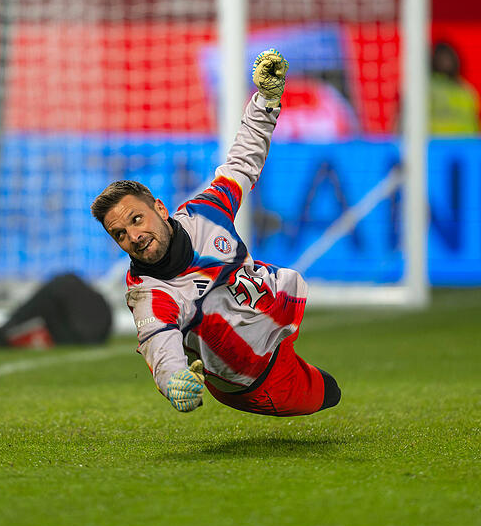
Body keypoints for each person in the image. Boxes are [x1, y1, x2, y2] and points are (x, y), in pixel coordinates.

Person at [90, 49, 341, 416]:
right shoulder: (151, 295)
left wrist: (267, 101)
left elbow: (242, 162)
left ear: (160, 208)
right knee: (330, 392)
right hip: (257, 376)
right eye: (120, 234)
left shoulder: (205, 212)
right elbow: (158, 343)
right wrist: (174, 382)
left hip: (276, 302)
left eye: (136, 220)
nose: (134, 236)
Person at [430, 41, 481, 135]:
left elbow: (476, 123)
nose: (446, 61)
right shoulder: (424, 89)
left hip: (465, 147)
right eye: (441, 57)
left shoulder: (466, 90)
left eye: (448, 58)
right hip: (434, 147)